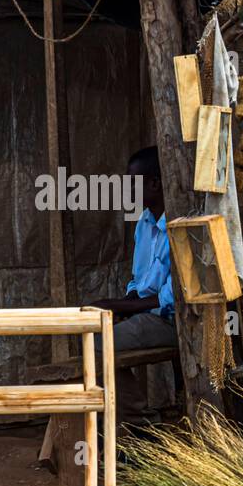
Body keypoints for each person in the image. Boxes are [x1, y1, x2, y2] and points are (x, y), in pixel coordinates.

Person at [88, 146, 178, 420]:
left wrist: (114, 304)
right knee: (93, 336)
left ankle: (141, 423)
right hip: (147, 315)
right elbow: (138, 283)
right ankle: (131, 418)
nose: (127, 190)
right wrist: (123, 307)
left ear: (154, 184)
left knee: (97, 344)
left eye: (132, 183)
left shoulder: (179, 226)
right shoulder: (144, 222)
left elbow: (172, 300)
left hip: (173, 322)